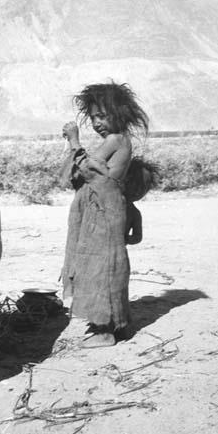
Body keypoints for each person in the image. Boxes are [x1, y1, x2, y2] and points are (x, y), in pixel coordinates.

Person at [61, 82, 149, 347]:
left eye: (102, 116)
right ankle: (115, 322)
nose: (97, 123)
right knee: (103, 263)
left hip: (103, 211)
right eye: (93, 118)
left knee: (99, 265)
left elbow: (91, 170)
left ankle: (105, 331)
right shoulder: (117, 140)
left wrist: (75, 141)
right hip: (103, 210)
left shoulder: (116, 139)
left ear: (119, 113)